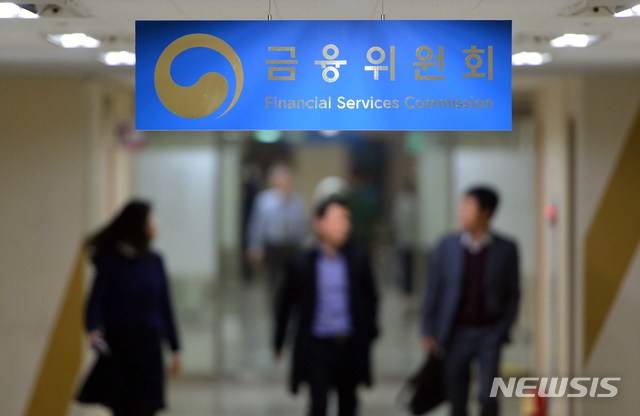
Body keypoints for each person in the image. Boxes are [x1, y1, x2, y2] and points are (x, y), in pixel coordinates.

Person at [274, 195, 379, 416]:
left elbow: (371, 299)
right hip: (317, 344)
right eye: (338, 219)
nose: (344, 225)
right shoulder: (303, 262)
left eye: (346, 219)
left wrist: (370, 332)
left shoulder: (358, 259)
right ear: (319, 223)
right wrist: (279, 340)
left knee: (348, 403)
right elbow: (285, 303)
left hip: (348, 344)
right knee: (318, 402)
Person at [421, 186, 520, 416]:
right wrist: (428, 329)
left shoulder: (506, 249)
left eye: (468, 206)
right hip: (456, 332)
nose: (462, 212)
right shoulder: (447, 246)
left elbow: (513, 294)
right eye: (462, 206)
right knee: (457, 398)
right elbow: (433, 290)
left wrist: (503, 328)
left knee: (489, 396)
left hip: (489, 333)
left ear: (486, 213)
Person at [76, 200, 181, 416]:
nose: (155, 225)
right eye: (150, 220)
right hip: (120, 349)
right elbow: (95, 302)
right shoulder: (111, 262)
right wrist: (93, 330)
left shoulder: (155, 262)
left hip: (149, 349)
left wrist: (175, 348)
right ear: (138, 225)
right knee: (123, 408)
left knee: (147, 408)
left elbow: (165, 307)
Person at [247, 164, 307, 288]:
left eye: (286, 178)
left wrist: (303, 247)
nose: (283, 181)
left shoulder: (297, 201)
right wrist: (255, 246)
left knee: (291, 280)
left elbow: (301, 226)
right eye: (280, 178)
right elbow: (257, 225)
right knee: (273, 281)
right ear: (274, 180)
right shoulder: (264, 200)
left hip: (291, 246)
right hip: (272, 246)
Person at [393, 179, 419, 297]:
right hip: (403, 239)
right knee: (403, 264)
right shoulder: (401, 202)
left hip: (412, 240)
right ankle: (405, 287)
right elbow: (397, 221)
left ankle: (409, 288)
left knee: (410, 265)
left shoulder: (414, 201)